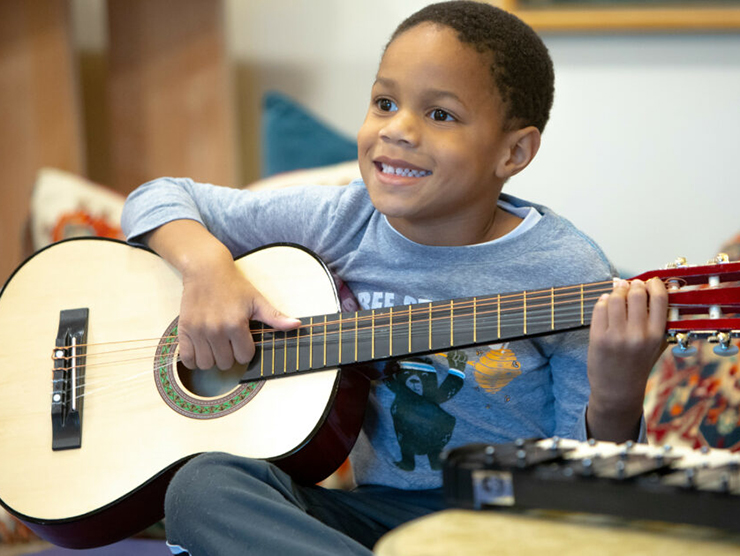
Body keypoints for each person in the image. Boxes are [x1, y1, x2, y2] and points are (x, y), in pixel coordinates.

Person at [121, 2, 668, 554]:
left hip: (512, 524)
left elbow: (589, 496)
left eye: (441, 115)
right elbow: (158, 197)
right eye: (385, 102)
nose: (398, 130)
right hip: (382, 517)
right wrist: (206, 269)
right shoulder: (342, 220)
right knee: (200, 488)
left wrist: (617, 398)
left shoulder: (568, 274)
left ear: (513, 151)